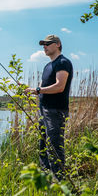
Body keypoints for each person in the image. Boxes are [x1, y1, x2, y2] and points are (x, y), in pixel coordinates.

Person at [25, 34, 73, 181]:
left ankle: (60, 183)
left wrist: (38, 90)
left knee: (54, 147)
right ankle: (47, 182)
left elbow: (59, 87)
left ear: (57, 44)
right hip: (44, 112)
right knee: (43, 147)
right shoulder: (48, 66)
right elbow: (45, 89)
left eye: (47, 44)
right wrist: (32, 91)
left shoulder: (62, 62)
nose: (44, 47)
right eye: (43, 44)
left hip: (55, 112)